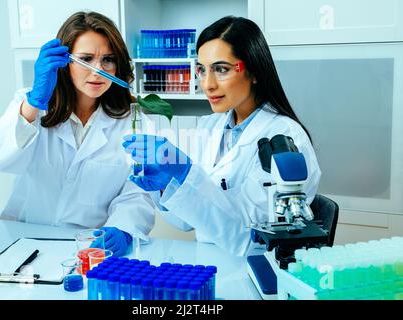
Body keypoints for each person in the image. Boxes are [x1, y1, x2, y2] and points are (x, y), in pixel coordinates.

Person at [123, 16, 321, 257]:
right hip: (209, 261)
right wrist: (168, 186)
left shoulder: (284, 140)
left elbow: (252, 238)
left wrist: (187, 174)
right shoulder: (210, 127)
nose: (208, 84)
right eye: (202, 70)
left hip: (252, 270)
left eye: (221, 69)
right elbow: (187, 223)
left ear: (254, 72)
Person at [0, 11, 155, 257]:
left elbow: (136, 192)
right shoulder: (33, 106)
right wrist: (34, 103)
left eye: (108, 60)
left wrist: (123, 228)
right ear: (65, 62)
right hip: (23, 241)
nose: (98, 71)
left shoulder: (132, 123)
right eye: (86, 59)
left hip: (88, 248)